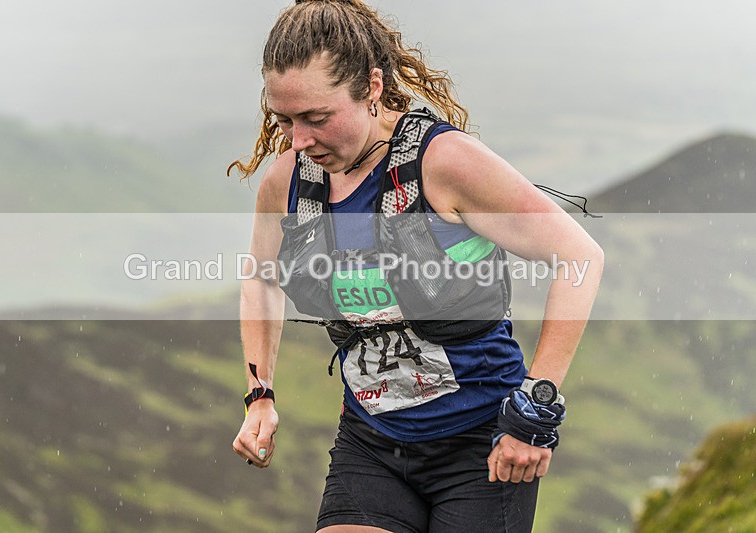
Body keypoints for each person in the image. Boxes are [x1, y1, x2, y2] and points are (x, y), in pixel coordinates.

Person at [230, 1, 604, 531]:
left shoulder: (445, 164)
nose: (300, 141)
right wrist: (259, 393)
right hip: (371, 443)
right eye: (284, 119)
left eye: (317, 118)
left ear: (373, 87)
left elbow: (580, 256)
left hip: (481, 444)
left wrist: (536, 407)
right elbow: (261, 279)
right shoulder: (286, 183)